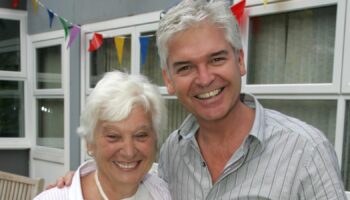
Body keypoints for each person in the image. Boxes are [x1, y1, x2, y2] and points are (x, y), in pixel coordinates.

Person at [52, 0, 347, 199]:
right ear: (168, 79)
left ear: (240, 61)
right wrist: (77, 185)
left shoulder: (306, 151)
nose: (204, 78)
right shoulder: (172, 153)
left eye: (216, 59)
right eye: (185, 67)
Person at [35, 71, 171, 200]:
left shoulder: (163, 193)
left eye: (140, 135)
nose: (129, 152)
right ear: (90, 143)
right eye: (113, 136)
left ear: (156, 140)